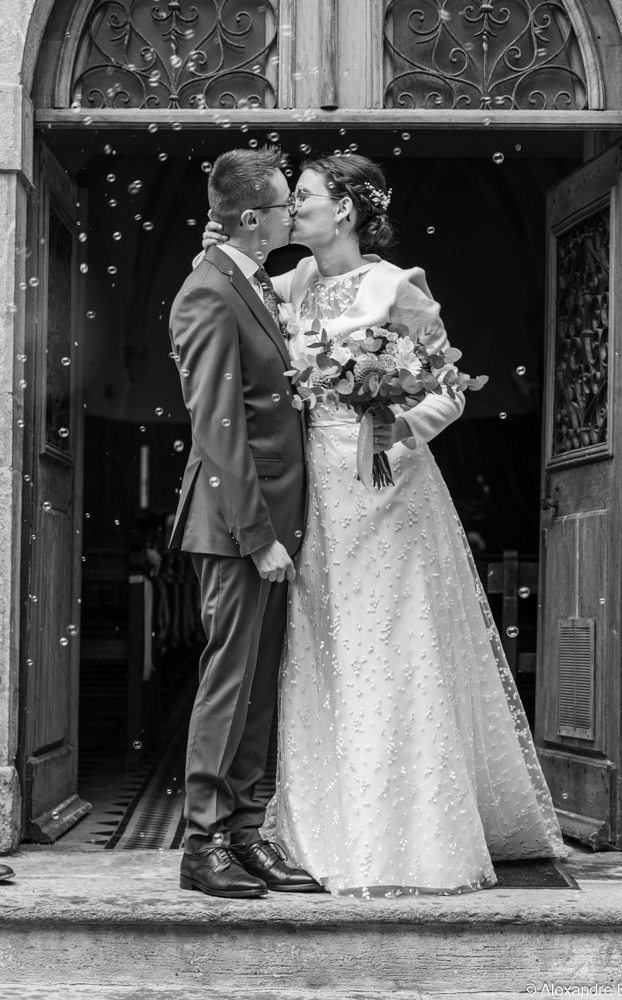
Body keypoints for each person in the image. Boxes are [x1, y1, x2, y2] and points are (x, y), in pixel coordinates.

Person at [202, 152, 567, 896]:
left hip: (384, 487)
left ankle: (409, 831)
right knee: (322, 648)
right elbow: (230, 288)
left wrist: (393, 435)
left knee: (392, 642)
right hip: (313, 492)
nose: (292, 209)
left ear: (344, 209)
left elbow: (448, 391)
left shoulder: (397, 286)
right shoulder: (293, 282)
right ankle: (321, 828)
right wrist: (215, 242)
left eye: (303, 196)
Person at [169, 147, 322, 898]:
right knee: (229, 682)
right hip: (236, 526)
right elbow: (218, 425)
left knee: (259, 684)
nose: (294, 213)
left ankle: (245, 832)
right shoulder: (206, 291)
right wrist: (257, 538)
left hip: (275, 519)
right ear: (254, 218)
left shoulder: (250, 279)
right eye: (287, 203)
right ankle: (202, 842)